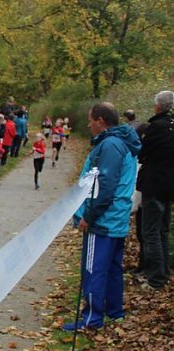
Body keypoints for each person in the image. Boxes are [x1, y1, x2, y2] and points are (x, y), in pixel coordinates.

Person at [64, 102, 141, 331]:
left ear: (100, 121)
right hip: (116, 218)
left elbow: (104, 184)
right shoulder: (122, 143)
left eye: (90, 120)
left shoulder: (110, 145)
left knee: (94, 269)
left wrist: (90, 215)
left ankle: (91, 319)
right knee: (112, 268)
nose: (88, 125)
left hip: (104, 220)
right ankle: (114, 312)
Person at [135, 90, 174, 289]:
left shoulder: (155, 128)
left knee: (150, 232)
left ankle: (156, 278)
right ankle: (164, 271)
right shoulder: (171, 126)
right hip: (169, 185)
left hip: (154, 184)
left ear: (157, 106)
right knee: (163, 230)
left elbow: (142, 154)